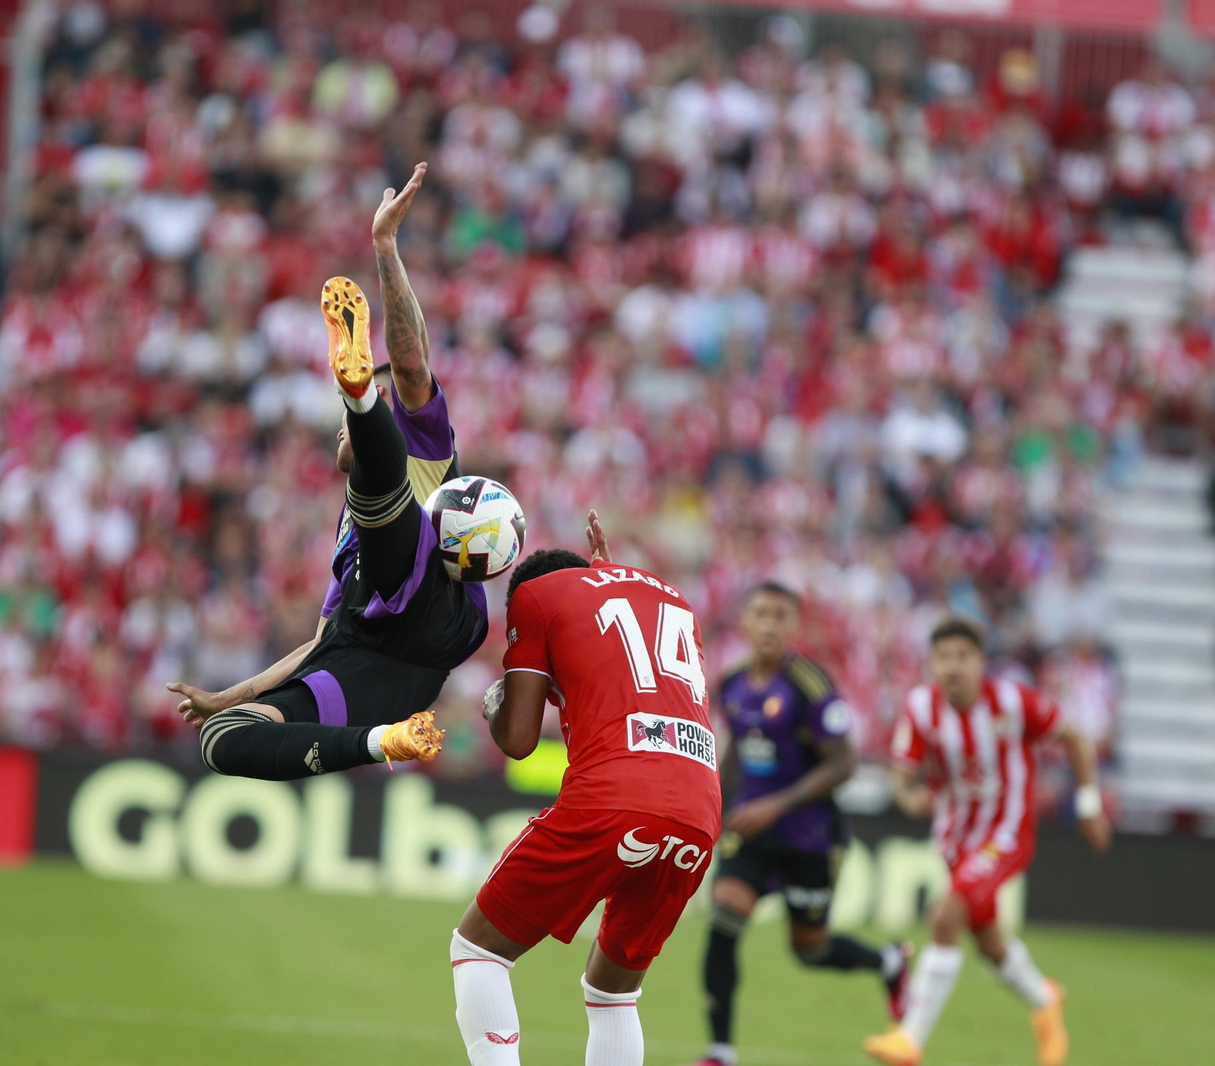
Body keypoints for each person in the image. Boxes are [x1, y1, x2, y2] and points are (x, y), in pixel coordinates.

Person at [168, 163, 496, 780]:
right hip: (382, 675)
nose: (336, 434)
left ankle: (363, 399)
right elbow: (320, 641)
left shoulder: (426, 448)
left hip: (438, 606)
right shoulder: (347, 542)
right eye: (349, 409)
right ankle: (382, 743)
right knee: (222, 741)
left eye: (356, 406)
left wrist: (385, 248)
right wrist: (228, 697)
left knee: (382, 485)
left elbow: (413, 361)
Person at [449, 513, 721, 1066]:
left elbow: (519, 740)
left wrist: (497, 702)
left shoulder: (535, 598)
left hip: (616, 794)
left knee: (477, 948)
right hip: (699, 811)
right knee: (613, 990)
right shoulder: (672, 596)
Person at [863, 617, 1112, 1066]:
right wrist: (908, 797)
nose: (953, 666)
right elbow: (901, 774)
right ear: (932, 664)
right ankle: (1045, 999)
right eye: (943, 657)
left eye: (963, 656)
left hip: (1007, 831)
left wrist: (1089, 806)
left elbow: (1076, 740)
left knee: (945, 916)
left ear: (981, 662)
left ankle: (909, 1039)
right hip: (955, 838)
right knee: (990, 944)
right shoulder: (921, 707)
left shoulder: (1013, 702)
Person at [687, 582, 910, 1066]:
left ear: (795, 626)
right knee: (723, 922)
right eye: (760, 613)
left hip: (810, 835)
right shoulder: (731, 683)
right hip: (751, 832)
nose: (769, 624)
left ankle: (890, 962)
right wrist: (712, 802)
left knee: (810, 950)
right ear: (745, 621)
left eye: (780, 615)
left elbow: (844, 763)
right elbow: (736, 750)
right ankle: (720, 1052)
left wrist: (777, 804)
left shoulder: (811, 685)